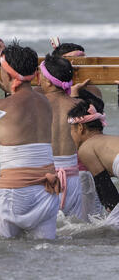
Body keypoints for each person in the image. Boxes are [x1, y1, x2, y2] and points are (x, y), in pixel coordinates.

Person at [0, 39, 60, 239]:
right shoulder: (45, 101)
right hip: (47, 192)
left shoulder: (2, 106)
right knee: (45, 253)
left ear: (7, 74)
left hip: (15, 193)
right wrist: (4, 59)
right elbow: (21, 91)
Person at [50, 38, 103, 217]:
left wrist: (78, 93)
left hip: (85, 167)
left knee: (88, 221)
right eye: (72, 63)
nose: (78, 68)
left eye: (82, 62)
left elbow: (94, 122)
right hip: (56, 168)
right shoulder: (47, 93)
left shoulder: (93, 90)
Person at [35, 53, 84, 220]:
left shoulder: (37, 103)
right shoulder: (79, 105)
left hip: (47, 179)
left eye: (40, 76)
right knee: (75, 229)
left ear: (48, 81)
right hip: (73, 179)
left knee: (45, 230)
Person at [67, 95, 119, 226]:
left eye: (71, 130)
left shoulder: (86, 148)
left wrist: (110, 211)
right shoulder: (108, 140)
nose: (70, 135)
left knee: (111, 227)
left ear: (80, 128)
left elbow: (104, 186)